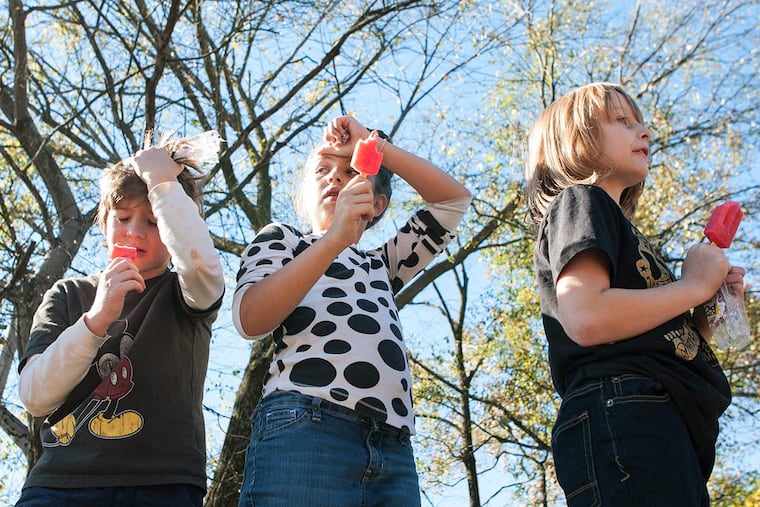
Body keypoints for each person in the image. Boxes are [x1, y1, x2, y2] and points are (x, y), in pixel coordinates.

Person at [232, 115, 471, 506]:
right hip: (305, 425)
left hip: (393, 446)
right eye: (323, 169)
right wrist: (333, 240)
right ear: (306, 191)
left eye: (349, 170)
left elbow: (453, 200)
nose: (334, 177)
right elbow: (250, 318)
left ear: (376, 204)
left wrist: (375, 148)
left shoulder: (382, 264)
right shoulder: (284, 240)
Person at [525, 82, 745, 506]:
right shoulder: (582, 201)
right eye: (622, 121)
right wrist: (692, 286)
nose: (643, 131)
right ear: (577, 138)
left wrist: (704, 315)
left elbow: (657, 334)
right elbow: (588, 316)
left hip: (663, 418)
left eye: (641, 123)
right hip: (623, 410)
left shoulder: (624, 232)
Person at [16, 131, 225, 507]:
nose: (134, 231)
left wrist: (164, 183)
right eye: (124, 217)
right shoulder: (68, 294)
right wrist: (95, 320)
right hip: (62, 481)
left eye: (153, 221)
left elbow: (203, 267)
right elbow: (34, 396)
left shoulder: (187, 293)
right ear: (103, 226)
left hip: (165, 482)